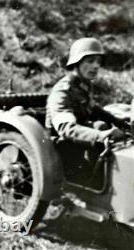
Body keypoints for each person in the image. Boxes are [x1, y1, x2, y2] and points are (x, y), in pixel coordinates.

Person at [45, 37, 130, 181]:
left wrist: (120, 123)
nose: (96, 66)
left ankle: (100, 178)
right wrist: (102, 135)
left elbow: (93, 108)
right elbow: (66, 129)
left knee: (102, 125)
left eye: (98, 61)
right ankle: (95, 182)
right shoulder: (62, 91)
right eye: (90, 61)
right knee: (101, 129)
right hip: (60, 146)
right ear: (76, 63)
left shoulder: (84, 84)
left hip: (78, 139)